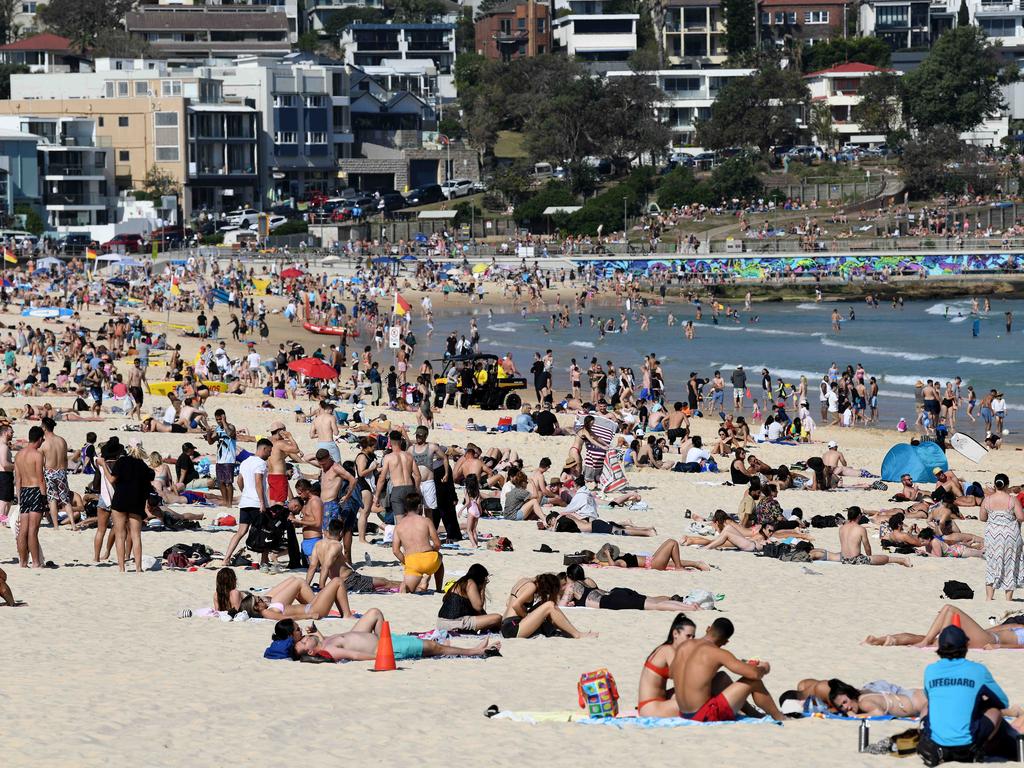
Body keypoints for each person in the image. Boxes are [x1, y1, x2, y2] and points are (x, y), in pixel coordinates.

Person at [918, 625, 1018, 764]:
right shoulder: (977, 670)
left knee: (927, 705)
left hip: (936, 743)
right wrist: (982, 701)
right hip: (967, 745)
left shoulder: (931, 670)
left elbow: (930, 698)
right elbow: (1002, 701)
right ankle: (979, 748)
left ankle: (927, 738)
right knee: (994, 711)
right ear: (965, 646)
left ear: (940, 647)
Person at [671, 617, 787, 722]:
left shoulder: (684, 646)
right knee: (753, 682)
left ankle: (754, 713)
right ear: (725, 642)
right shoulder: (718, 653)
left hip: (683, 713)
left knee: (721, 677)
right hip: (704, 715)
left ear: (708, 628)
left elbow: (671, 673)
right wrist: (764, 667)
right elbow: (754, 674)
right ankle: (779, 716)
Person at [293, 607, 498, 661]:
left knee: (374, 612)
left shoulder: (323, 641)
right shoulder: (328, 649)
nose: (303, 639)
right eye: (303, 643)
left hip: (383, 640)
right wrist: (381, 656)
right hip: (385, 648)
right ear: (311, 653)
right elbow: (354, 655)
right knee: (434, 648)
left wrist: (317, 633)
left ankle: (474, 650)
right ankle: (473, 652)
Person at [305, 519, 401, 594]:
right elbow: (326, 566)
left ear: (328, 530)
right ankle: (412, 585)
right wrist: (322, 587)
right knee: (385, 582)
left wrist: (306, 585)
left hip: (349, 580)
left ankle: (412, 584)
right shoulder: (336, 545)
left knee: (383, 581)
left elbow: (312, 567)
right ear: (341, 533)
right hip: (350, 581)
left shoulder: (318, 544)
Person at [864, 605, 1024, 649]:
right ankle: (889, 640)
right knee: (935, 640)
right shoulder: (1017, 623)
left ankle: (925, 641)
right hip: (984, 636)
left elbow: (1019, 646)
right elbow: (1000, 628)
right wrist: (976, 631)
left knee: (949, 609)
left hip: (990, 641)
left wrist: (998, 647)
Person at [562, 564, 704, 612]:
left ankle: (690, 608)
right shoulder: (588, 581)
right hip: (616, 592)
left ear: (569, 576)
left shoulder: (572, 586)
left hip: (612, 600)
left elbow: (561, 606)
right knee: (652, 600)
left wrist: (568, 602)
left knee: (655, 606)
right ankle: (684, 603)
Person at [220, 438, 273, 567]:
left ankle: (226, 558)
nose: (270, 454)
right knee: (265, 531)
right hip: (256, 503)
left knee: (241, 531)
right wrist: (261, 502)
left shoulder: (245, 462)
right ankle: (264, 561)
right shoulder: (260, 463)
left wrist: (245, 493)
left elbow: (239, 481)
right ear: (264, 449)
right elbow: (258, 482)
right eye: (269, 451)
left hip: (245, 502)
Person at [109, 437, 156, 573]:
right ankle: (138, 568)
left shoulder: (122, 461)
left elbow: (112, 479)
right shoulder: (143, 466)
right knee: (136, 536)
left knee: (120, 535)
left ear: (128, 448)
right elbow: (148, 487)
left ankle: (122, 568)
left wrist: (104, 467)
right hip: (136, 501)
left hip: (120, 499)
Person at [501, 573, 596, 639]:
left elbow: (508, 603)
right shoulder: (532, 586)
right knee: (550, 605)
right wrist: (526, 616)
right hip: (513, 628)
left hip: (506, 624)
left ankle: (562, 628)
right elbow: (515, 605)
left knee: (544, 604)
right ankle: (577, 634)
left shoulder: (524, 581)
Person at [638, 614, 696, 717]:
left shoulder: (667, 649)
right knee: (697, 700)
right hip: (650, 707)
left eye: (693, 636)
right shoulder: (668, 650)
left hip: (655, 702)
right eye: (688, 636)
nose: (691, 640)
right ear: (675, 634)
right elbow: (682, 677)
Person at [980, 472, 1024, 601]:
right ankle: (1008, 598)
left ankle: (989, 597)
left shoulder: (987, 499)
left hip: (993, 536)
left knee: (992, 563)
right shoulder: (1013, 500)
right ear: (1007, 485)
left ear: (995, 485)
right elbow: (1021, 517)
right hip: (1011, 535)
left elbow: (982, 518)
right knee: (1011, 564)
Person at [391, 492, 443, 592]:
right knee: (440, 558)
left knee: (408, 590)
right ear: (419, 506)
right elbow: (437, 544)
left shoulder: (399, 526)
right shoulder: (426, 521)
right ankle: (438, 589)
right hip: (429, 559)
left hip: (412, 561)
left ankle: (416, 585)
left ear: (405, 507)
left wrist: (406, 561)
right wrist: (434, 551)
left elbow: (395, 551)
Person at [14, 425, 47, 568]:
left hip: (24, 492)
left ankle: (22, 561)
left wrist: (20, 499)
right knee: (33, 531)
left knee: (23, 530)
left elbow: (18, 480)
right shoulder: (38, 455)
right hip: (35, 491)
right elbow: (40, 479)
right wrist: (44, 498)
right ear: (39, 439)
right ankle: (36, 562)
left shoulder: (19, 455)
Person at [437, 563, 503, 632]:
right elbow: (478, 607)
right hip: (454, 623)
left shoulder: (461, 582)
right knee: (497, 618)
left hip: (442, 622)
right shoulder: (470, 583)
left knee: (485, 616)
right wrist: (483, 587)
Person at [838, 507, 912, 567]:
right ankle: (902, 560)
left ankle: (902, 560)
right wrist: (870, 557)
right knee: (885, 558)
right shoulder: (860, 529)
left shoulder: (841, 528)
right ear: (859, 516)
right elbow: (867, 546)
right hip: (855, 560)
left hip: (844, 559)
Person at [373, 429, 419, 524]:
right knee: (412, 519)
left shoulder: (388, 457)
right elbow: (418, 475)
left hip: (397, 489)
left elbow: (382, 478)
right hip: (410, 488)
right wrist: (417, 490)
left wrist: (377, 496)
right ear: (401, 441)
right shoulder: (409, 456)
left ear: (390, 441)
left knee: (400, 521)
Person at [40, 417, 73, 531]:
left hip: (50, 472)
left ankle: (55, 526)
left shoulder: (44, 444)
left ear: (44, 428)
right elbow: (65, 458)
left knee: (52, 499)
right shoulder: (62, 440)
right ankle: (73, 523)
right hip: (62, 471)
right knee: (66, 499)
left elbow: (41, 462)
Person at [290, 478, 324, 559]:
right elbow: (307, 520)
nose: (299, 495)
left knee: (313, 568)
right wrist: (297, 523)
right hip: (305, 541)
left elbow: (318, 523)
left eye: (300, 493)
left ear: (307, 490)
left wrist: (298, 521)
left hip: (313, 540)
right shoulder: (306, 502)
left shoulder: (315, 501)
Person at [211, 409, 237, 508]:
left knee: (228, 482)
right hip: (220, 459)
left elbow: (230, 434)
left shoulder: (231, 427)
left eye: (220, 419)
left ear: (224, 417)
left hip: (229, 459)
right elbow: (210, 441)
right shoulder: (218, 428)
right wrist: (209, 433)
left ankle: (229, 503)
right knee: (220, 482)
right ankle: (225, 501)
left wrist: (224, 422)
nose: (218, 421)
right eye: (217, 419)